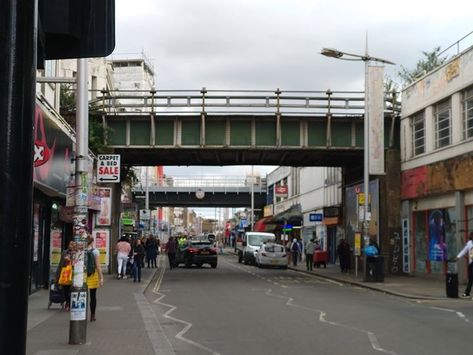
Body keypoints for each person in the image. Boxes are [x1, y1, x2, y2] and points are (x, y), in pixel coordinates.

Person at [86, 234, 103, 322]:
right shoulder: (95, 251)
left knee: (83, 295)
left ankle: (82, 314)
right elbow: (98, 266)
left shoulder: (81, 250)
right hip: (93, 275)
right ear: (92, 241)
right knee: (93, 296)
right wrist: (101, 278)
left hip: (83, 275)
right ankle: (92, 315)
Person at [55, 240, 76, 310]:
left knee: (71, 289)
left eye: (73, 244)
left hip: (73, 274)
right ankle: (67, 301)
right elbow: (60, 264)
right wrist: (57, 275)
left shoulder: (76, 253)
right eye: (70, 244)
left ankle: (69, 303)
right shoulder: (64, 252)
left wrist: (71, 260)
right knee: (65, 289)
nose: (71, 245)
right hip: (65, 274)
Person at [456, 232, 473, 297]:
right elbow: (464, 250)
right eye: (470, 236)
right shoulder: (469, 243)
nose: (470, 236)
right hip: (471, 263)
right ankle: (467, 292)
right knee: (471, 279)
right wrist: (458, 256)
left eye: (471, 235)